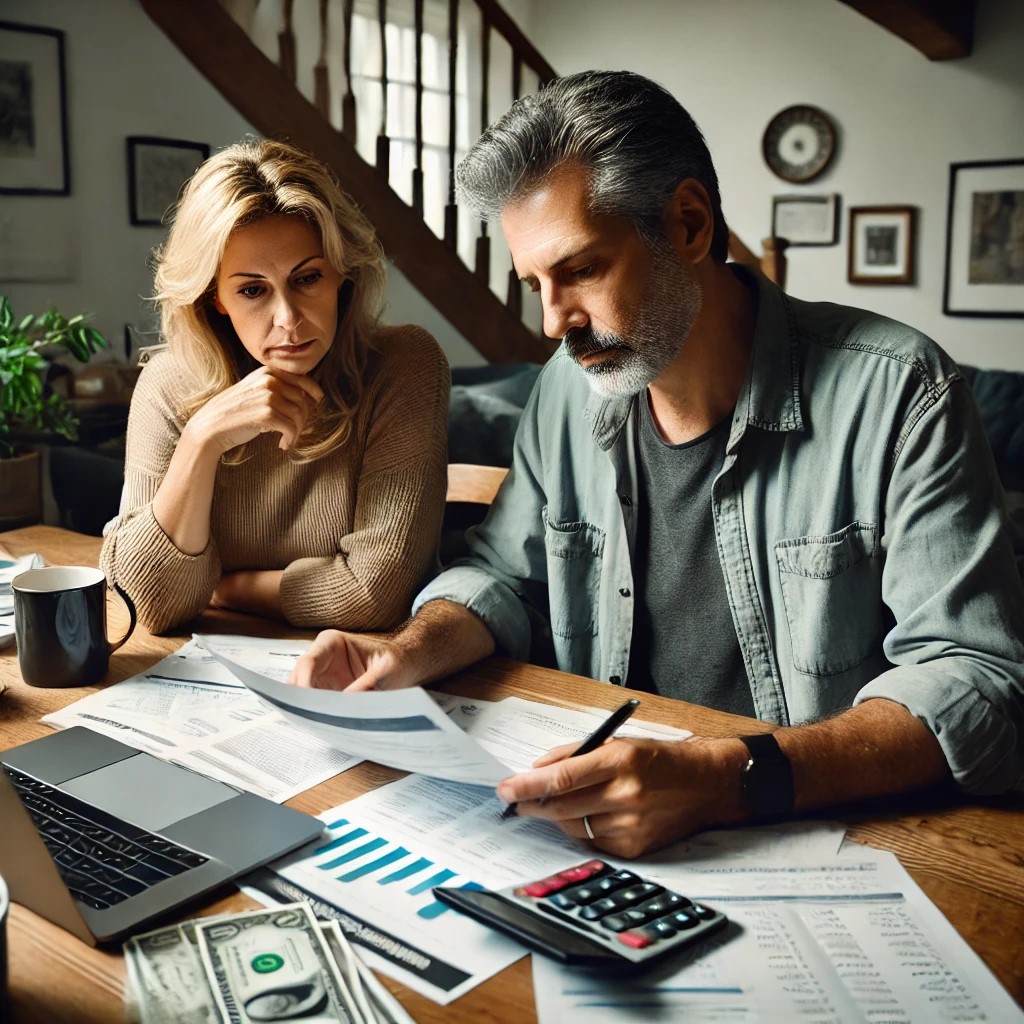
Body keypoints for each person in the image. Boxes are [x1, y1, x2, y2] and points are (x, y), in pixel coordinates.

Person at [290, 72, 1024, 858]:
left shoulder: (901, 391)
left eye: (579, 271)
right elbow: (506, 575)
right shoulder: (565, 394)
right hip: (594, 828)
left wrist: (723, 779)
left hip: (815, 833)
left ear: (689, 224)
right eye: (535, 284)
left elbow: (978, 680)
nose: (552, 323)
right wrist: (408, 650)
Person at [101, 139, 449, 634]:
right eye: (252, 290)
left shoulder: (404, 365)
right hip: (207, 681)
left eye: (307, 278)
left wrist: (223, 586)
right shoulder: (167, 384)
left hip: (366, 674)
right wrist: (203, 439)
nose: (288, 320)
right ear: (214, 297)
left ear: (341, 274)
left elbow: (372, 595)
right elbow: (146, 604)